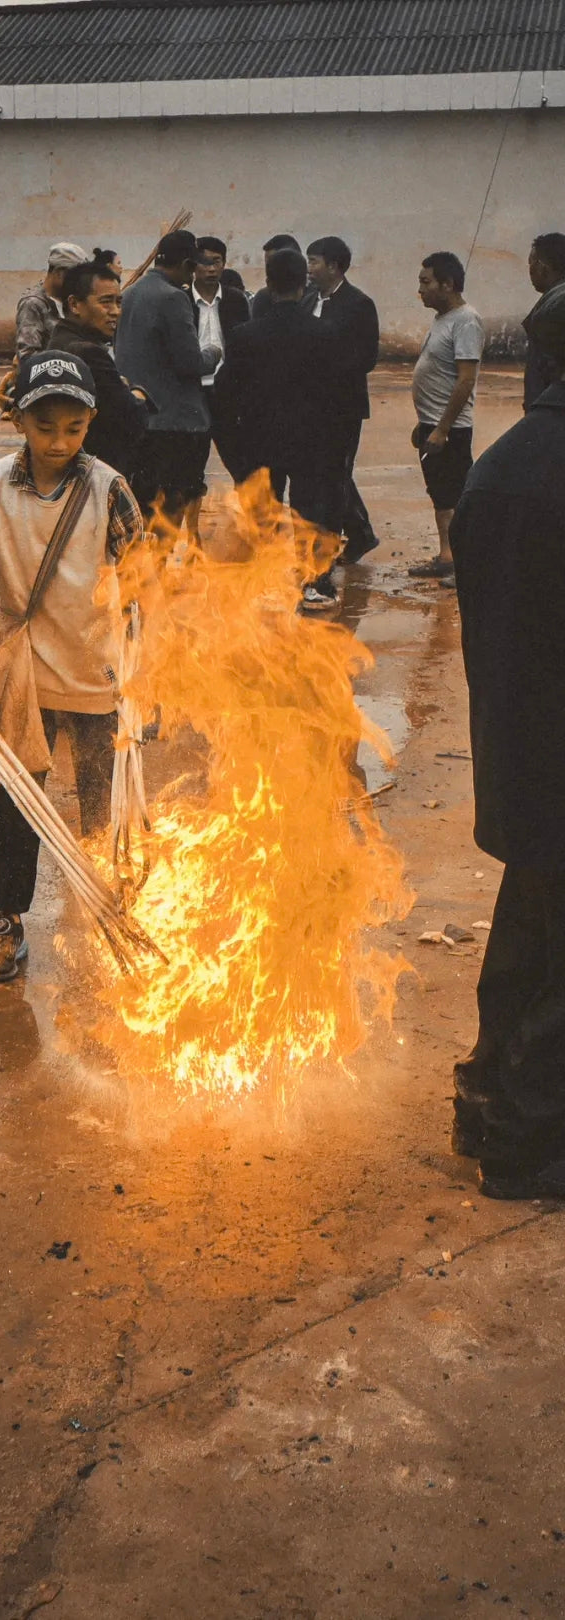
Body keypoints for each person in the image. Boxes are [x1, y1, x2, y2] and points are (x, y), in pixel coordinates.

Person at [0, 349, 144, 983]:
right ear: (19, 420)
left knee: (103, 806)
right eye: (46, 427)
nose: (59, 441)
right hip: (25, 677)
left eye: (73, 428)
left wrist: (147, 658)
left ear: (90, 423)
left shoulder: (109, 487)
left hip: (97, 674)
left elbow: (145, 574)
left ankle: (111, 908)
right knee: (15, 807)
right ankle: (8, 923)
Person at [449, 284, 565, 1199]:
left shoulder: (500, 464)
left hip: (517, 756)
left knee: (526, 935)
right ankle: (523, 1153)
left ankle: (484, 1101)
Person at [219, 247, 346, 607]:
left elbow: (227, 393)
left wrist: (235, 449)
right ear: (303, 285)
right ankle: (314, 584)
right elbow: (338, 395)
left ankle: (269, 583)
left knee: (265, 515)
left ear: (269, 284)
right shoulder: (324, 334)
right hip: (312, 442)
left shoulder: (245, 336)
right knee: (310, 513)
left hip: (260, 440)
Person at [114, 228, 213, 529]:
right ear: (186, 265)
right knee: (170, 509)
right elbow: (190, 362)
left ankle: (142, 567)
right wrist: (215, 353)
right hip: (175, 424)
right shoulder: (173, 298)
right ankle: (159, 569)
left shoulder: (129, 294)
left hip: (139, 418)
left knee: (143, 504)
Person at [303, 235, 380, 563]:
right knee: (322, 473)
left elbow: (367, 358)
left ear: (333, 266)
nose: (309, 269)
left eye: (314, 262)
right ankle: (360, 534)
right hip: (307, 407)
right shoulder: (306, 300)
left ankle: (331, 546)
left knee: (334, 474)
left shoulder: (359, 304)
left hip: (341, 408)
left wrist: (324, 364)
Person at [409, 251, 484, 582]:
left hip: (450, 428)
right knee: (440, 494)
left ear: (448, 284)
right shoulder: (442, 319)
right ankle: (447, 556)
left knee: (453, 496)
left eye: (426, 282)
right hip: (432, 424)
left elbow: (465, 379)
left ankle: (464, 562)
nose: (420, 290)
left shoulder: (467, 320)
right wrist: (425, 423)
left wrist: (441, 428)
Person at [50, 256, 152, 479]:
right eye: (106, 302)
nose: (115, 311)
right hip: (97, 475)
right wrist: (137, 392)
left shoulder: (59, 339)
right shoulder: (89, 353)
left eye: (118, 302)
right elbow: (133, 416)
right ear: (75, 304)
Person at [192, 234, 250, 479]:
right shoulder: (180, 300)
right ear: (193, 265)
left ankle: (249, 515)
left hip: (227, 391)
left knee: (240, 462)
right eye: (205, 262)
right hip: (192, 392)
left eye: (217, 262)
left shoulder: (236, 300)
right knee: (191, 463)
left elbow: (246, 346)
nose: (212, 268)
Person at [15, 242, 89, 359]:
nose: (78, 283)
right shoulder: (33, 304)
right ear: (59, 273)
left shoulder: (70, 301)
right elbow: (27, 356)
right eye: (75, 278)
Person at [523, 232, 565, 410]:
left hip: (551, 411)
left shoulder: (552, 307)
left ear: (542, 266)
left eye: (531, 262)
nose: (530, 269)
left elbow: (549, 372)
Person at [251, 234, 301, 317]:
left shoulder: (315, 297)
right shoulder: (263, 297)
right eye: (267, 265)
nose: (269, 270)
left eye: (274, 264)